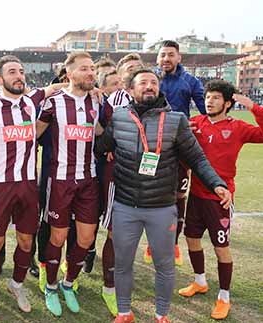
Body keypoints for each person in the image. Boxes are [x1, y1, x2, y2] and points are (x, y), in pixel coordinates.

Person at [97, 68, 232, 323]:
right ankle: (124, 312)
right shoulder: (119, 118)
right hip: (126, 206)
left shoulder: (176, 120)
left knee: (164, 265)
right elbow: (101, 147)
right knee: (123, 263)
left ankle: (161, 315)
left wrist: (217, 183)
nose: (150, 86)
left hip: (161, 208)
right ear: (129, 90)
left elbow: (197, 158)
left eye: (154, 82)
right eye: (143, 82)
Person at [0, 55, 65, 318]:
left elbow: (58, 87)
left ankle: (16, 285)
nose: (19, 75)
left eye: (21, 71)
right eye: (12, 72)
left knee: (25, 241)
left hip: (29, 186)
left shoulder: (33, 100)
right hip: (0, 186)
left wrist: (94, 89)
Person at [178, 80, 263, 320]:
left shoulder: (238, 127)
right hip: (195, 195)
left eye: (215, 97)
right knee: (192, 239)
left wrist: (252, 107)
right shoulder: (195, 123)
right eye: (207, 97)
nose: (209, 101)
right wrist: (185, 134)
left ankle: (224, 296)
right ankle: (200, 281)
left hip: (220, 199)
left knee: (221, 248)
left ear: (227, 103)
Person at [35, 52, 100, 316]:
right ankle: (50, 286)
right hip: (59, 180)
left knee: (85, 237)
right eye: (84, 69)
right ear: (69, 73)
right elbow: (34, 134)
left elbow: (101, 133)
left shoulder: (98, 103)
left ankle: (68, 283)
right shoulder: (54, 103)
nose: (91, 73)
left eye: (93, 69)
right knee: (58, 236)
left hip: (89, 180)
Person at [147, 40, 207, 266]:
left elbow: (205, 111)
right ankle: (153, 244)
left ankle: (172, 244)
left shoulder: (190, 82)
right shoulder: (150, 80)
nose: (166, 59)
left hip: (179, 148)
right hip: (153, 146)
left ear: (179, 57)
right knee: (152, 195)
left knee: (179, 197)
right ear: (157, 58)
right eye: (163, 55)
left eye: (171, 55)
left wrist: (192, 124)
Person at [97, 53, 145, 317]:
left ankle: (120, 276)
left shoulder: (154, 100)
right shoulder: (115, 99)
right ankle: (109, 286)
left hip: (143, 175)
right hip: (118, 172)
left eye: (139, 67)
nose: (135, 71)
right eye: (130, 67)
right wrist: (112, 146)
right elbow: (104, 133)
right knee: (116, 231)